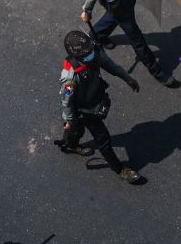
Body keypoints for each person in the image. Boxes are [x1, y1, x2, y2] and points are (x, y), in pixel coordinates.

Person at [55, 30, 145, 184]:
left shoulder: (91, 50)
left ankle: (69, 144)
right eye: (87, 54)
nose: (92, 54)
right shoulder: (70, 78)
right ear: (77, 56)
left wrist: (126, 77)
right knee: (103, 139)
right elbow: (66, 102)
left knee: (77, 130)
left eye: (91, 50)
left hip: (93, 100)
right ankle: (120, 169)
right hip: (84, 110)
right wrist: (69, 119)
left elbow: (108, 64)